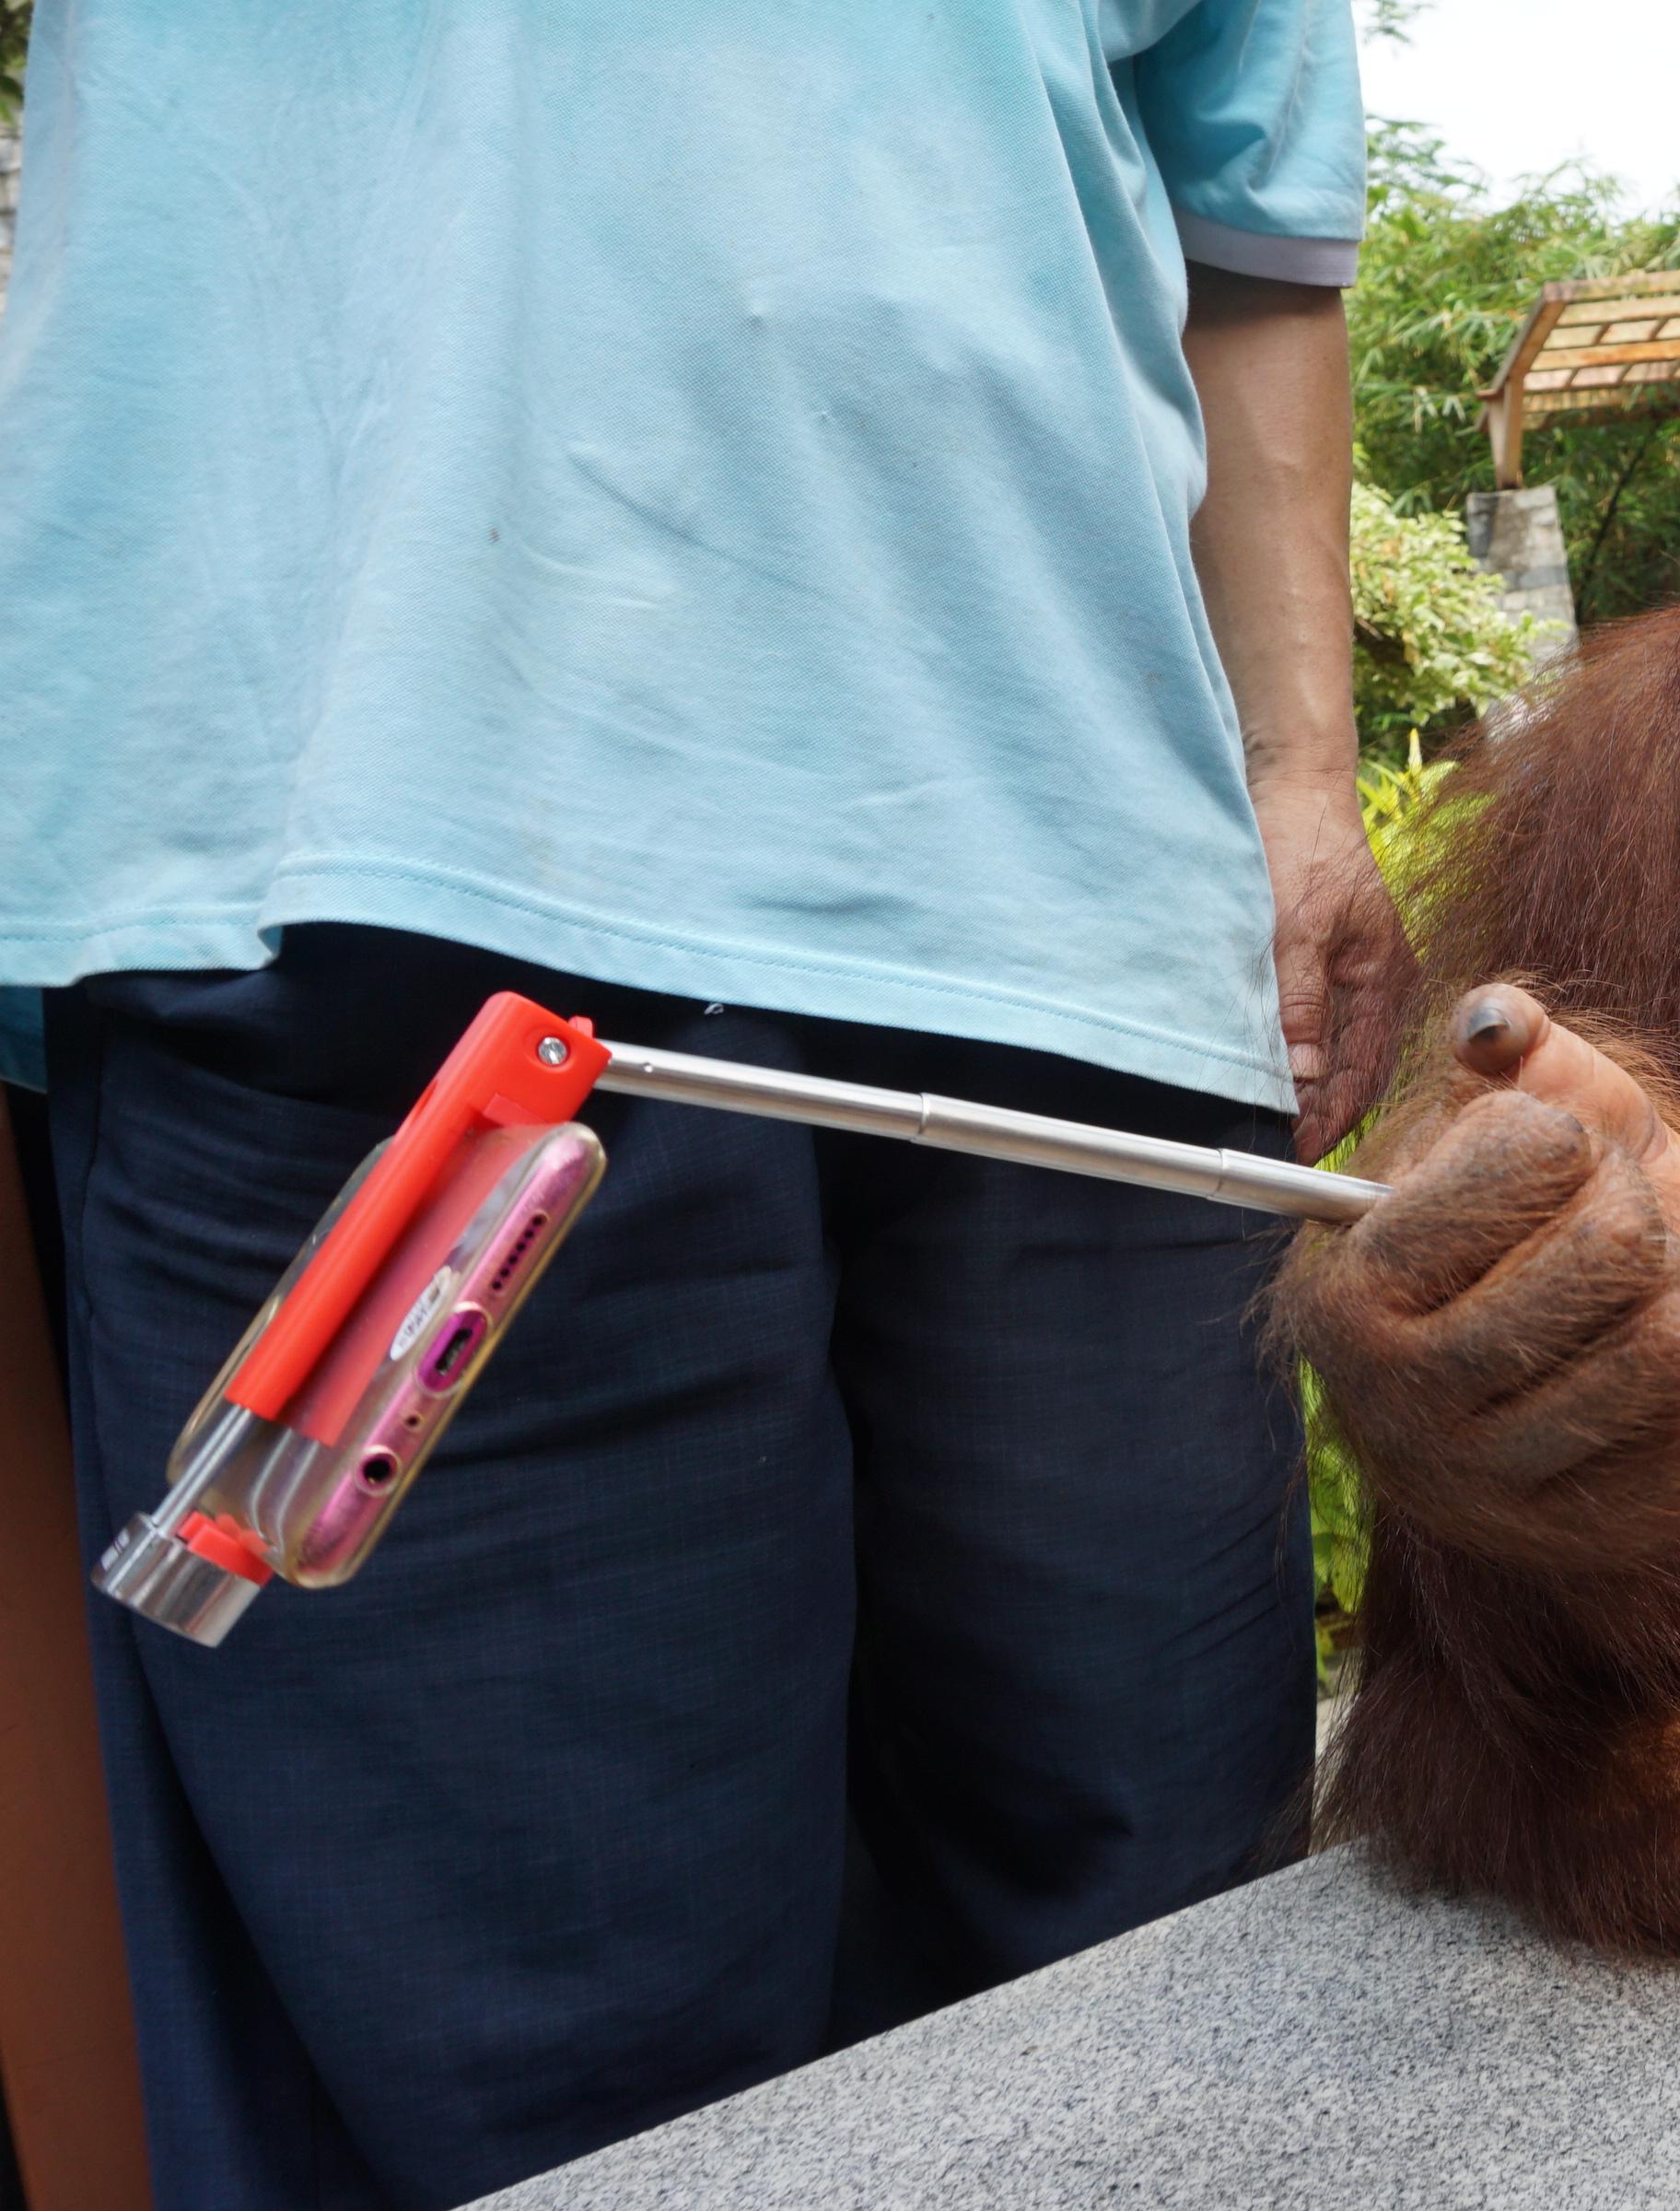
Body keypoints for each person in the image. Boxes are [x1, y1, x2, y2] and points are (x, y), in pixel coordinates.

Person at [0, 6, 1407, 2204]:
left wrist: (1301, 776)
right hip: (342, 843)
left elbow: (1254, 231)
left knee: (1165, 2017)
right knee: (536, 2103)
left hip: (1085, 932)